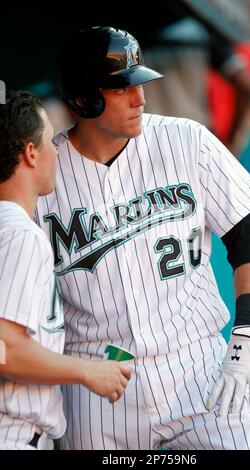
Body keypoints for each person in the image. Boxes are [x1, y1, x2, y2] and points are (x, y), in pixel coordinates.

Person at [35, 26, 250, 450]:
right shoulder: (43, 178)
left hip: (200, 372)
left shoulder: (187, 139)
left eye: (140, 84)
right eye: (122, 88)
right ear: (82, 98)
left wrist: (246, 339)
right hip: (99, 392)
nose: (140, 98)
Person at [0, 90, 132, 450]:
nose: (57, 150)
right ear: (30, 152)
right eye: (49, 141)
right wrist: (88, 371)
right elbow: (5, 350)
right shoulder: (19, 235)